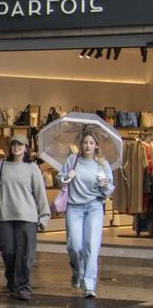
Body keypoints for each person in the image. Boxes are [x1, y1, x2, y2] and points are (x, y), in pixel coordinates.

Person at [0, 135, 50, 301]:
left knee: (24, 253)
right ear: (10, 147)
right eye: (14, 144)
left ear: (26, 147)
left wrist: (44, 217)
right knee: (8, 251)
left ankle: (23, 286)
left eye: (20, 144)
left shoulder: (32, 168)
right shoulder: (2, 165)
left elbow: (40, 194)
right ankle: (12, 281)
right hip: (5, 215)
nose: (16, 147)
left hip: (27, 216)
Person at [59, 127, 114, 298]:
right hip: (74, 207)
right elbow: (60, 178)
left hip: (94, 207)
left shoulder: (102, 164)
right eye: (85, 142)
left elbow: (109, 190)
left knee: (91, 246)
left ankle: (89, 284)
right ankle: (77, 272)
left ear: (97, 145)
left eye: (91, 143)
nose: (88, 145)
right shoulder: (72, 160)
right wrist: (67, 177)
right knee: (74, 246)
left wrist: (105, 185)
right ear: (80, 145)